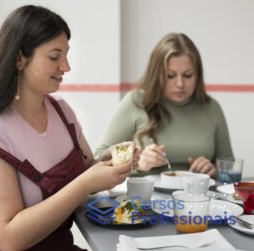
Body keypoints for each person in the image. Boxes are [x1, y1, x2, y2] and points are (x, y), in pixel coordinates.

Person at [0, 5, 139, 251]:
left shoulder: (61, 112)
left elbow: (87, 172)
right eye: (54, 57)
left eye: (66, 55)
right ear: (19, 58)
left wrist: (109, 163)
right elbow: (9, 240)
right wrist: (86, 183)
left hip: (56, 250)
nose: (65, 66)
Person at [96, 32, 233, 177]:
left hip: (201, 197)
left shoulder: (212, 108)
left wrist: (214, 171)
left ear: (198, 75)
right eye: (170, 76)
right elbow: (98, 160)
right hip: (146, 198)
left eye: (187, 75)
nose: (180, 84)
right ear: (156, 75)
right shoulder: (135, 102)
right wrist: (137, 164)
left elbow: (230, 170)